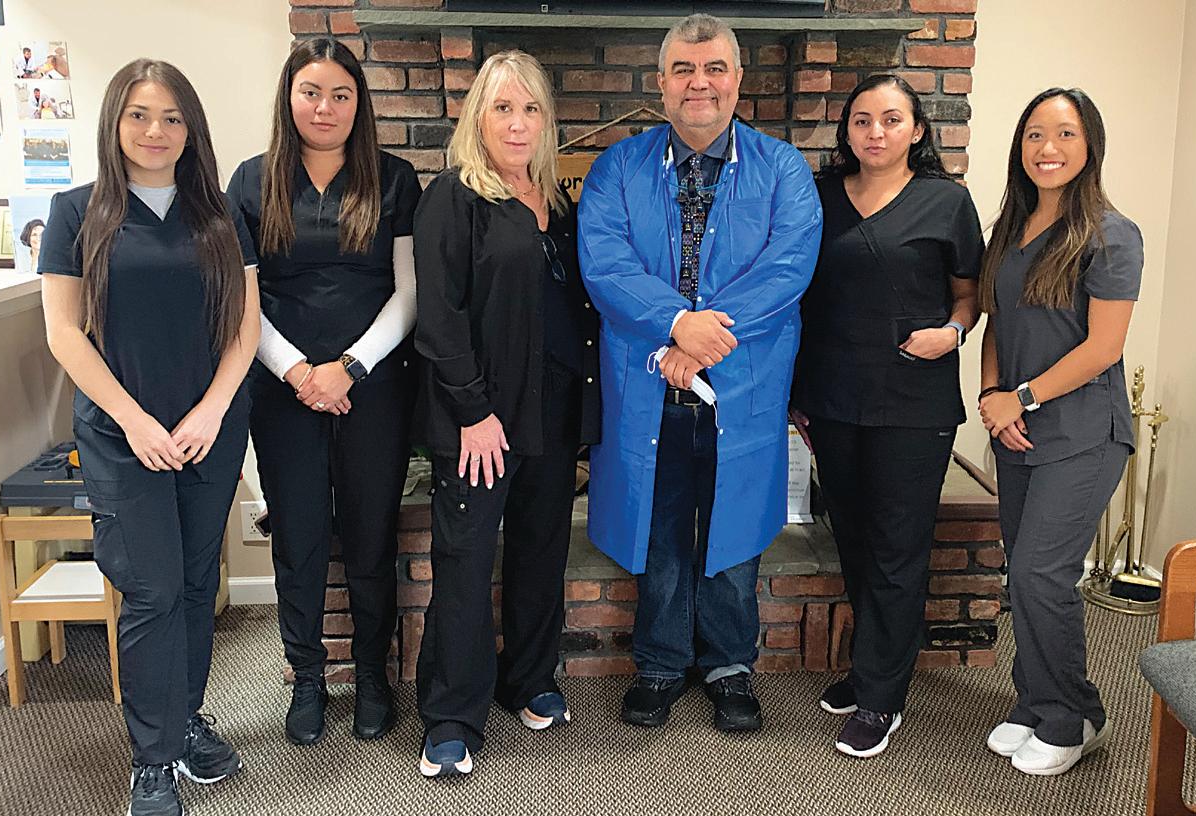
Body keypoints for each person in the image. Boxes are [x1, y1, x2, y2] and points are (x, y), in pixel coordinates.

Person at [578, 14, 822, 734]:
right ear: (660, 83)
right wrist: (676, 324)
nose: (699, 83)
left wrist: (699, 339)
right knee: (659, 528)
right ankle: (659, 662)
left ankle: (728, 665)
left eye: (714, 68)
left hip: (742, 385)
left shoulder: (783, 170)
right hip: (646, 384)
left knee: (732, 527)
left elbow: (787, 268)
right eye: (683, 70)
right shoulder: (616, 168)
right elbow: (606, 265)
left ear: (738, 79)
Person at [38, 58, 260, 816]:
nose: (155, 130)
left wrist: (212, 411)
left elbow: (245, 325)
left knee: (197, 584)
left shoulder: (219, 214)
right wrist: (135, 420)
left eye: (171, 117)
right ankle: (153, 760)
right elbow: (65, 334)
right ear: (115, 121)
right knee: (152, 590)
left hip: (207, 430)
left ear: (191, 129)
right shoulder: (76, 212)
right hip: (120, 434)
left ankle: (186, 720)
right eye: (139, 114)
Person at [226, 38, 422, 747]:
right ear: (289, 97)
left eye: (341, 95)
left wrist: (349, 368)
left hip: (374, 387)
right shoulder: (251, 182)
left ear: (358, 104)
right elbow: (242, 301)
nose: (325, 107)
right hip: (282, 391)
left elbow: (410, 293)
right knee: (299, 536)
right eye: (311, 92)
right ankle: (307, 677)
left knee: (371, 534)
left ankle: (372, 676)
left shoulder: (394, 179)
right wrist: (300, 374)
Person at [413, 49, 599, 777]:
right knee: (464, 561)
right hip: (482, 416)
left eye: (531, 109)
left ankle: (530, 678)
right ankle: (451, 715)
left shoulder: (557, 199)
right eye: (502, 108)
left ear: (547, 121)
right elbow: (440, 317)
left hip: (554, 408)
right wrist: (473, 410)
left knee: (540, 547)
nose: (517, 123)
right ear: (478, 118)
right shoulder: (453, 197)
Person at [789, 74, 984, 758]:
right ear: (847, 130)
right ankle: (875, 664)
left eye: (892, 119)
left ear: (917, 129)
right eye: (862, 119)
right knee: (854, 540)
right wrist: (798, 397)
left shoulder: (946, 202)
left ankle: (881, 697)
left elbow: (969, 297)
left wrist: (951, 334)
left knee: (899, 546)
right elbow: (800, 297)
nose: (876, 132)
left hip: (912, 400)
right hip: (834, 398)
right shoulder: (818, 197)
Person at [976, 87, 1142, 777]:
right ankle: (1037, 701)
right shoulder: (1010, 228)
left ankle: (1074, 718)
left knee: (1042, 574)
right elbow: (996, 321)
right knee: (1023, 574)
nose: (1048, 148)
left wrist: (1020, 397)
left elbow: (1104, 347)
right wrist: (992, 395)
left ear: (1090, 145)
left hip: (1083, 432)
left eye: (1066, 134)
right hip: (1017, 427)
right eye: (1035, 134)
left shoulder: (1111, 235)